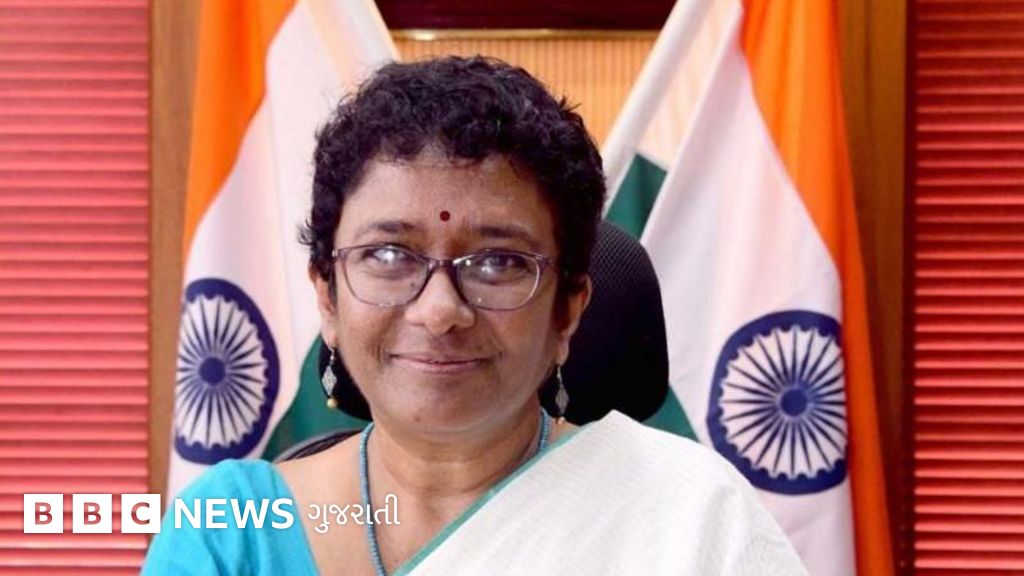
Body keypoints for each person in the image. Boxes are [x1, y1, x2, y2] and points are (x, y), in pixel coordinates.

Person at [143, 55, 808, 575]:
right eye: (388, 254)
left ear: (568, 310)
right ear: (327, 297)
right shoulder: (229, 535)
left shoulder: (694, 521)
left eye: (498, 263)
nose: (440, 311)